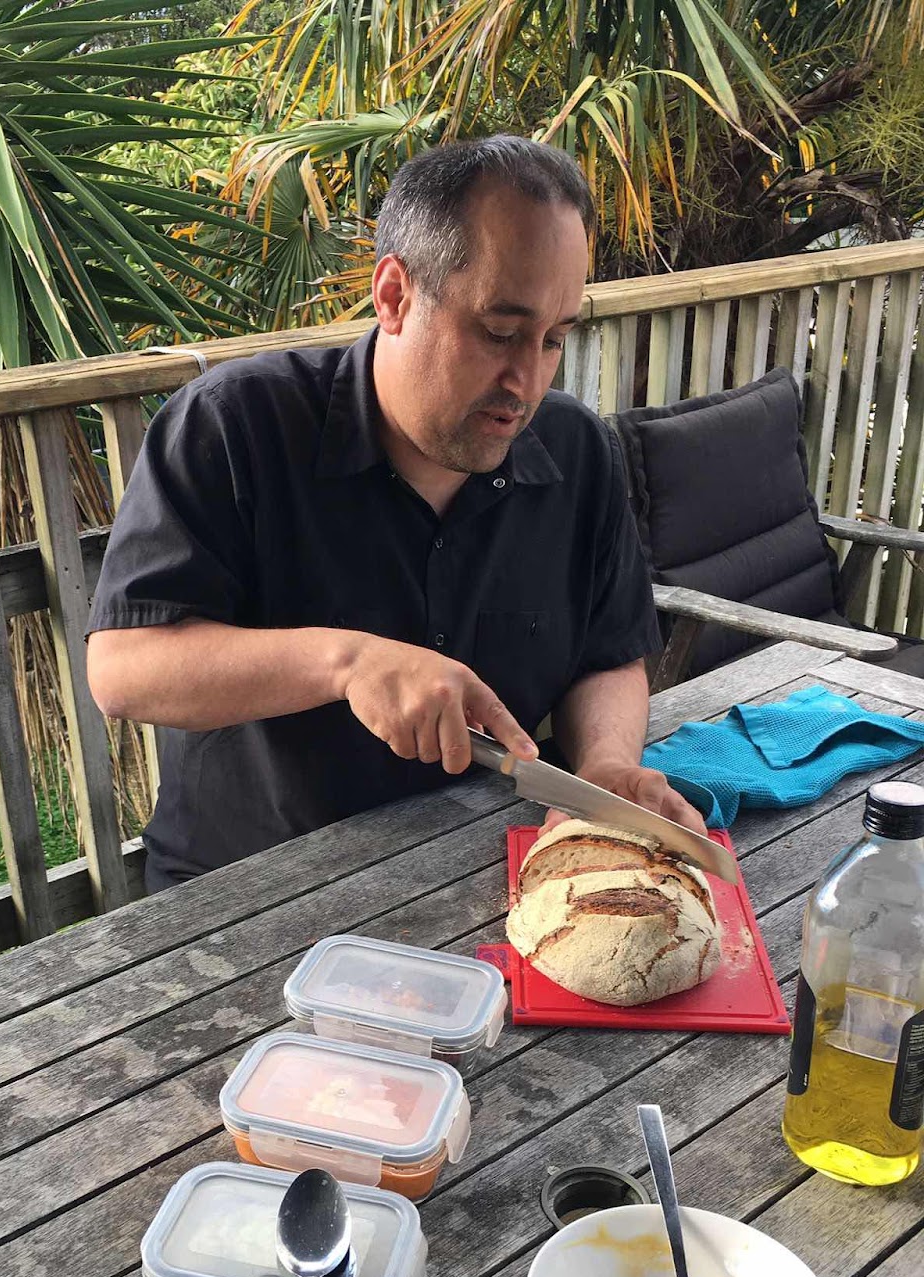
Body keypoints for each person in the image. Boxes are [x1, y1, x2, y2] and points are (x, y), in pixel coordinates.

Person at [87, 135, 706, 893]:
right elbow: (123, 669)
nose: (527, 380)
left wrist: (604, 765)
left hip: (482, 870)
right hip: (251, 891)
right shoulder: (234, 425)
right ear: (394, 296)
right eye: (500, 333)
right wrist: (347, 664)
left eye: (553, 340)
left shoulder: (578, 451)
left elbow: (609, 654)